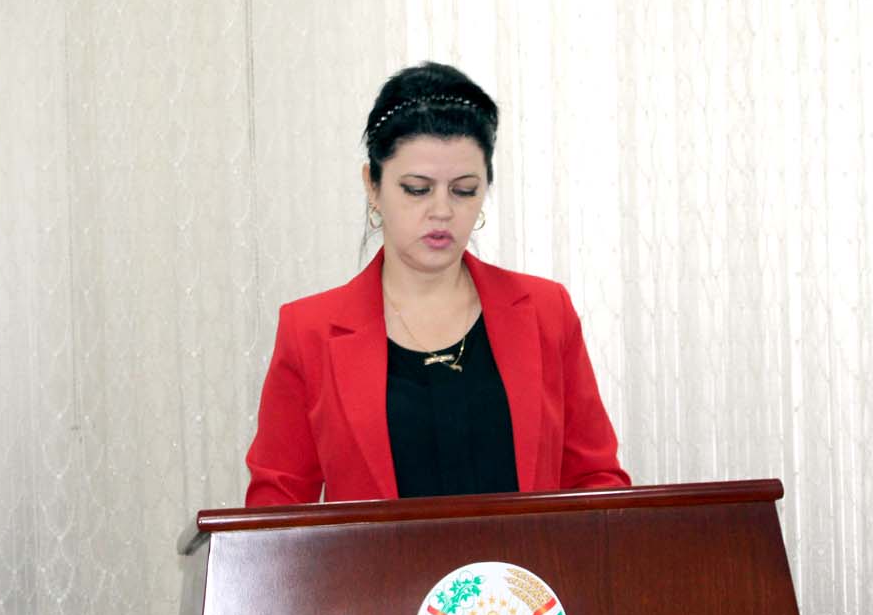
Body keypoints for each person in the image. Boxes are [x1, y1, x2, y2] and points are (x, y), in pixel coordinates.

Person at [244, 62, 630, 506]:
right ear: (372, 185)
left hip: (527, 556)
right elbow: (276, 509)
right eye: (417, 189)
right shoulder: (309, 332)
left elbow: (597, 480)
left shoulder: (546, 310)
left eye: (464, 190)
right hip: (378, 557)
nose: (442, 211)